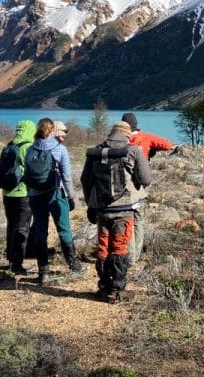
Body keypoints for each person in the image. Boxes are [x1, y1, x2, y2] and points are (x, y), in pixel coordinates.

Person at [81, 121, 152, 303]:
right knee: (120, 248)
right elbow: (146, 179)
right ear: (127, 135)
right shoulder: (133, 150)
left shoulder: (96, 151)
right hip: (124, 209)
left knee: (103, 247)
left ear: (111, 133)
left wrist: (91, 204)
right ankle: (117, 290)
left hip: (102, 209)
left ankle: (104, 287)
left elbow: (85, 179)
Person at [25, 117, 84, 285]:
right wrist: (71, 196)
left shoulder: (31, 149)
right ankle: (74, 265)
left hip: (35, 196)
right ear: (52, 131)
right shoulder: (60, 149)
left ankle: (43, 272)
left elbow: (27, 172)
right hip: (56, 195)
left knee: (40, 232)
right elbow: (66, 176)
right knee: (64, 229)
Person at [121, 112, 173, 264]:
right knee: (138, 221)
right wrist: (151, 150)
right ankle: (135, 256)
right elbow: (168, 144)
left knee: (126, 221)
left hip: (121, 187)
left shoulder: (119, 140)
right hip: (140, 185)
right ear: (136, 124)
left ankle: (127, 256)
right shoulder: (145, 138)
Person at [0, 119, 36, 275]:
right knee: (22, 228)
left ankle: (11, 259)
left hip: (7, 193)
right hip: (23, 193)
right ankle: (17, 264)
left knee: (11, 226)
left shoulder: (8, 146)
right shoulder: (28, 147)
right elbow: (33, 171)